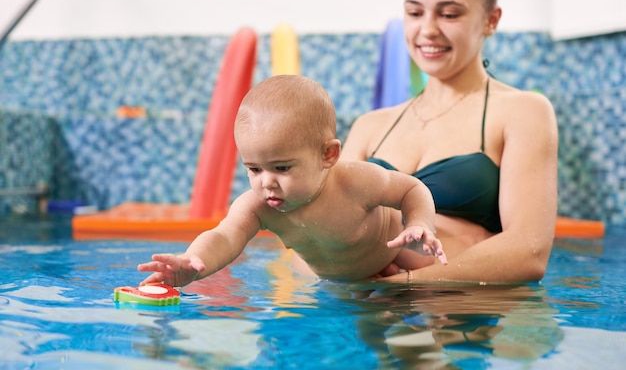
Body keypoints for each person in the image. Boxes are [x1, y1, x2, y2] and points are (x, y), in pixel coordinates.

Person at [341, 0, 558, 283]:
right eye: (415, 12)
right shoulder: (370, 127)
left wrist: (400, 286)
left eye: (449, 14)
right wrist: (463, 239)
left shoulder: (524, 112)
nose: (427, 29)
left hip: (468, 324)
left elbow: (529, 253)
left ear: (491, 20)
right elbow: (315, 236)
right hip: (369, 321)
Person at [138, 75, 447, 286]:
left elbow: (411, 188)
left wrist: (420, 223)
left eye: (282, 168)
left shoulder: (355, 182)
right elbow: (225, 236)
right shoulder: (258, 206)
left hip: (395, 258)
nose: (266, 183)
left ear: (328, 155)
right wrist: (192, 263)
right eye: (254, 169)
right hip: (340, 283)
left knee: (431, 295)